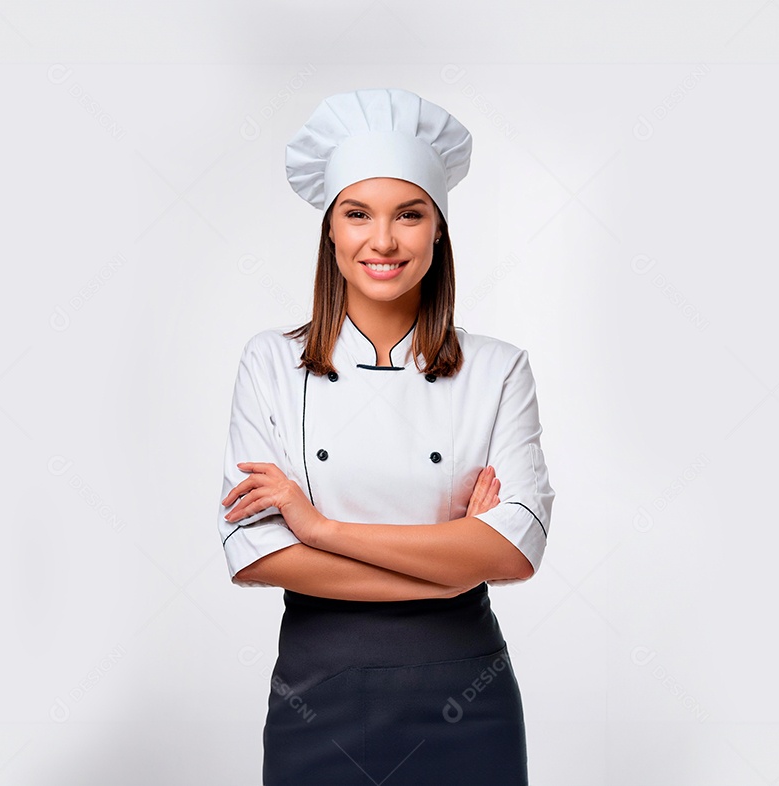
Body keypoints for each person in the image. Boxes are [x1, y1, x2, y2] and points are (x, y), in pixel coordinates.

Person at [217, 87, 554, 786]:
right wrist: (452, 565)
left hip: (468, 703)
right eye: (358, 214)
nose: (383, 240)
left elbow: (516, 552)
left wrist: (319, 529)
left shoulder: (499, 369)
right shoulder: (271, 364)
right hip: (320, 698)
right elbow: (255, 555)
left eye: (409, 215)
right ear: (331, 232)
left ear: (438, 231)